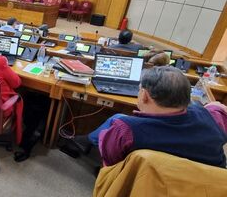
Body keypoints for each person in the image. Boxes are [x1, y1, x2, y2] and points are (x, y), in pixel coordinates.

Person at [88, 66, 227, 167]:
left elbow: (110, 161)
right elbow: (218, 109)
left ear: (144, 95)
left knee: (116, 119)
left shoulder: (125, 129)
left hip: (142, 193)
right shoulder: (213, 119)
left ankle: (86, 140)